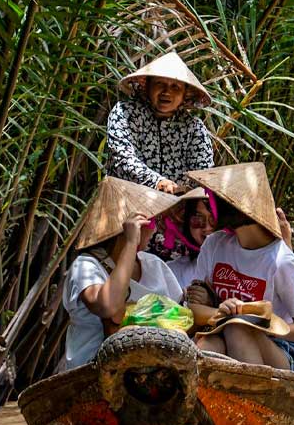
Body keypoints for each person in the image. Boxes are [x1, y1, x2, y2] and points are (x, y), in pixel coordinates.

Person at [185, 163, 294, 373]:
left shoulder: (281, 261)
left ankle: (257, 399)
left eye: (215, 200)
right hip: (227, 332)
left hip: (287, 350)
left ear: (237, 207)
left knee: (237, 328)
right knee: (208, 344)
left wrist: (263, 324)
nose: (209, 206)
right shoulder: (214, 245)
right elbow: (193, 308)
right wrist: (224, 312)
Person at [63, 177, 182, 370]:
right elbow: (108, 306)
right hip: (93, 370)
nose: (154, 230)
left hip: (156, 367)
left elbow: (179, 314)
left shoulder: (153, 264)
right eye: (149, 222)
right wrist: (129, 243)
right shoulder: (86, 265)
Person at [107, 50, 214, 194]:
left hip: (174, 209)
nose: (166, 92)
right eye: (160, 84)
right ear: (147, 86)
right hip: (126, 202)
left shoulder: (194, 128)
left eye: (175, 87)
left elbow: (203, 175)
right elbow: (121, 158)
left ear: (185, 94)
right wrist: (158, 182)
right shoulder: (125, 112)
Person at [164, 188, 217, 289]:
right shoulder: (172, 272)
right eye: (197, 219)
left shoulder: (248, 267)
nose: (207, 227)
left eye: (214, 219)